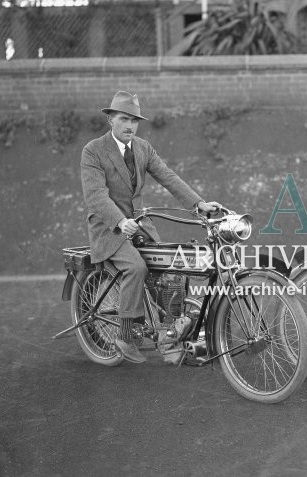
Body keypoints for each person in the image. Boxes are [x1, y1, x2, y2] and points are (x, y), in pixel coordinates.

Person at [81, 91, 221, 364]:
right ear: (110, 119)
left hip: (140, 225)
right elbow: (96, 196)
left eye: (134, 120)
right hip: (109, 228)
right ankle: (124, 335)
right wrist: (120, 221)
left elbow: (168, 177)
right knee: (136, 267)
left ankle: (169, 334)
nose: (129, 125)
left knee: (171, 269)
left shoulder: (143, 148)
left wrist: (199, 204)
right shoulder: (93, 151)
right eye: (123, 118)